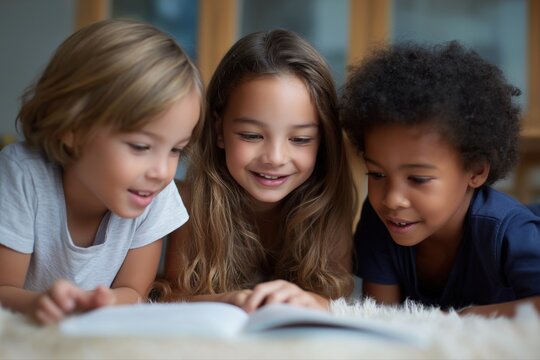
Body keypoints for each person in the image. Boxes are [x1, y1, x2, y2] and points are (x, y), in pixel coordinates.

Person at [0, 19, 203, 325]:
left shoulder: (154, 194)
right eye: (140, 146)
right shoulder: (22, 174)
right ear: (72, 129)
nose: (162, 172)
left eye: (176, 149)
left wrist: (104, 303)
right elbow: (3, 290)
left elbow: (133, 291)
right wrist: (39, 303)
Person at [160, 29, 357, 313]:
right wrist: (229, 300)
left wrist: (315, 301)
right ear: (219, 130)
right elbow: (170, 299)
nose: (275, 158)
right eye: (251, 135)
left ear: (323, 141)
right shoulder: (189, 202)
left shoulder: (327, 204)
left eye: (300, 139)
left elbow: (338, 302)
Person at [340, 40, 540, 317]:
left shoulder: (510, 231)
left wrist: (466, 318)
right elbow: (382, 320)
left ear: (476, 171)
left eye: (418, 178)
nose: (391, 199)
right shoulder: (381, 220)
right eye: (377, 174)